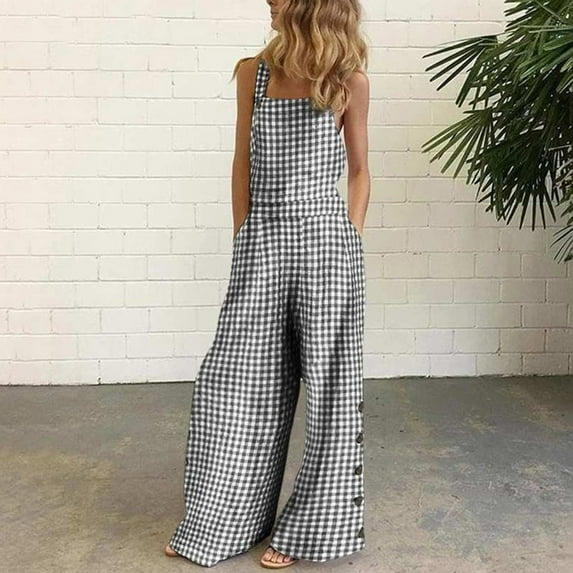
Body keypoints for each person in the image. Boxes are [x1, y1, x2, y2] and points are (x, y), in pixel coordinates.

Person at [165, 0, 370, 568]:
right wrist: (244, 235)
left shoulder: (348, 80)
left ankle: (309, 532)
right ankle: (220, 523)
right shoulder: (253, 73)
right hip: (263, 241)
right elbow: (242, 162)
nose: (269, 2)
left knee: (330, 394)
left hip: (327, 247)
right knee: (234, 383)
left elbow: (359, 170)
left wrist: (349, 237)